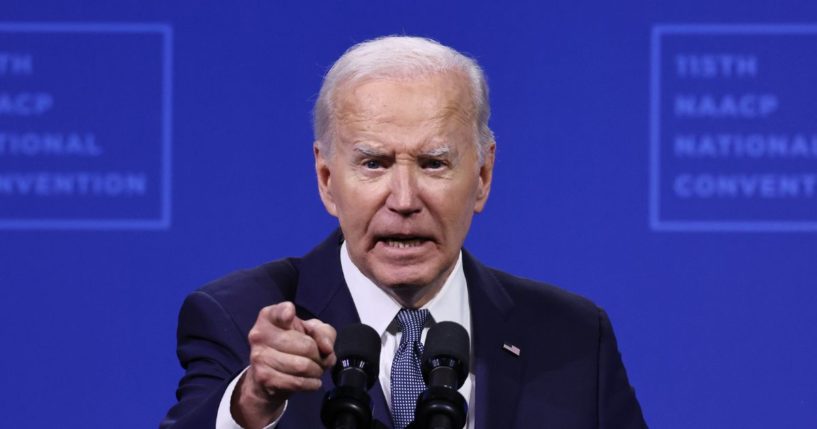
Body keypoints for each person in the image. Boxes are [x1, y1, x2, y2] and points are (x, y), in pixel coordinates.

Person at [161, 35, 647, 429]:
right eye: (374, 163)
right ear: (327, 180)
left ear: (482, 176)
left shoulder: (575, 336)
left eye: (434, 163)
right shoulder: (238, 317)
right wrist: (249, 405)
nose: (405, 199)